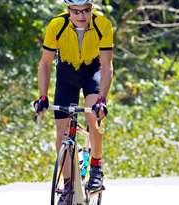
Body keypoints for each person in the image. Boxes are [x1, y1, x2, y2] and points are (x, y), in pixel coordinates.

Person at [33, 0, 113, 203]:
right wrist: (42, 96)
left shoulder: (102, 25)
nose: (81, 16)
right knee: (61, 132)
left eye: (86, 11)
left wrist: (101, 100)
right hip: (67, 73)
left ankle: (96, 167)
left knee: (91, 114)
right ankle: (68, 187)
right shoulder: (56, 25)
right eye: (76, 11)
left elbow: (106, 65)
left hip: (92, 71)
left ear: (91, 9)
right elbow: (45, 64)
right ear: (68, 10)